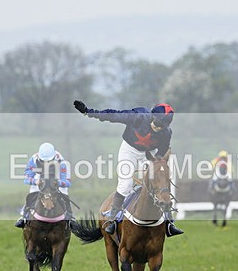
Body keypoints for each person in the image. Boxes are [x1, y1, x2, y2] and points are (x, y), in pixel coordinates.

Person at [73, 100, 183, 237]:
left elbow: (162, 151)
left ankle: (169, 222)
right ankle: (112, 219)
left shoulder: (166, 133)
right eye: (157, 123)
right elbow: (113, 115)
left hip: (149, 153)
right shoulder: (138, 116)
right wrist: (88, 112)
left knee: (159, 179)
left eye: (162, 126)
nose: (158, 128)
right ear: (152, 116)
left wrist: (156, 165)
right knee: (125, 185)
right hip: (129, 150)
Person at [14, 142, 74, 228]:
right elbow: (26, 178)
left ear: (54, 157)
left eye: (49, 161)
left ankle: (70, 218)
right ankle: (25, 216)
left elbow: (67, 182)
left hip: (57, 180)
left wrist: (58, 183)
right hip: (40, 179)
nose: (46, 163)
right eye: (43, 161)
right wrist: (35, 181)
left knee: (64, 195)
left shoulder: (61, 162)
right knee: (31, 194)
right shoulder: (34, 159)